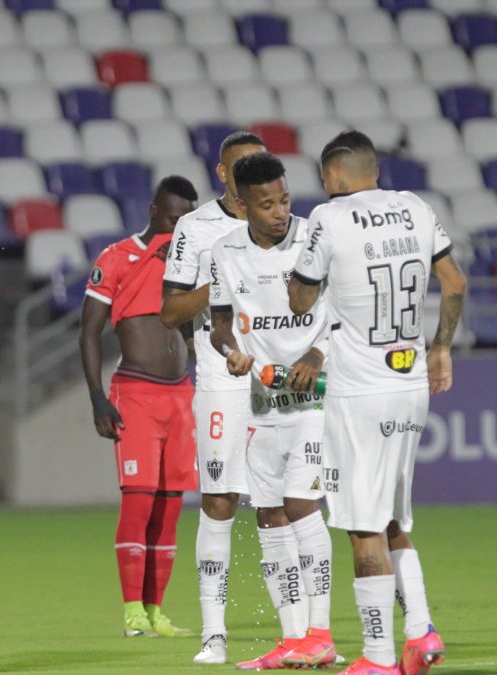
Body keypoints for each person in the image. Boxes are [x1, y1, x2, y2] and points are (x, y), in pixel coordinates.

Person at [289, 131, 465, 675]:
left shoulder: (328, 217)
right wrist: (440, 348)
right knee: (390, 518)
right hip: (409, 383)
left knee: (362, 526)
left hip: (359, 391)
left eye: (325, 178)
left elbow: (300, 299)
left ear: (336, 176)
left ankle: (379, 657)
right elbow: (454, 283)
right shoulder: (415, 207)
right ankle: (421, 633)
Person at [207, 153, 337, 670]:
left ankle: (321, 631)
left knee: (301, 503)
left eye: (284, 199)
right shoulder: (223, 251)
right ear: (241, 205)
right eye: (267, 204)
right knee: (268, 515)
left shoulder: (314, 238)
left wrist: (317, 352)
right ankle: (292, 638)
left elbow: (347, 312)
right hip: (263, 401)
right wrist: (229, 350)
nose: (281, 211)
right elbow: (219, 323)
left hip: (317, 395)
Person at [159, 131, 268, 664]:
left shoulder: (285, 226)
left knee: (286, 506)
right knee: (220, 500)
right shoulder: (195, 228)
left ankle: (300, 632)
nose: (252, 174)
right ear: (223, 174)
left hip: (274, 382)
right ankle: (214, 632)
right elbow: (172, 312)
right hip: (222, 380)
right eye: (242, 167)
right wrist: (226, 282)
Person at [78, 176, 199, 639]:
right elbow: (89, 331)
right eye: (172, 218)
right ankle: (131, 612)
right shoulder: (116, 258)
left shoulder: (188, 264)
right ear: (153, 211)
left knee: (170, 508)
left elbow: (188, 328)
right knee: (139, 503)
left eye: (186, 219)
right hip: (137, 394)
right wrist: (96, 398)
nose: (178, 227)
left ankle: (155, 611)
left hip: (181, 395)